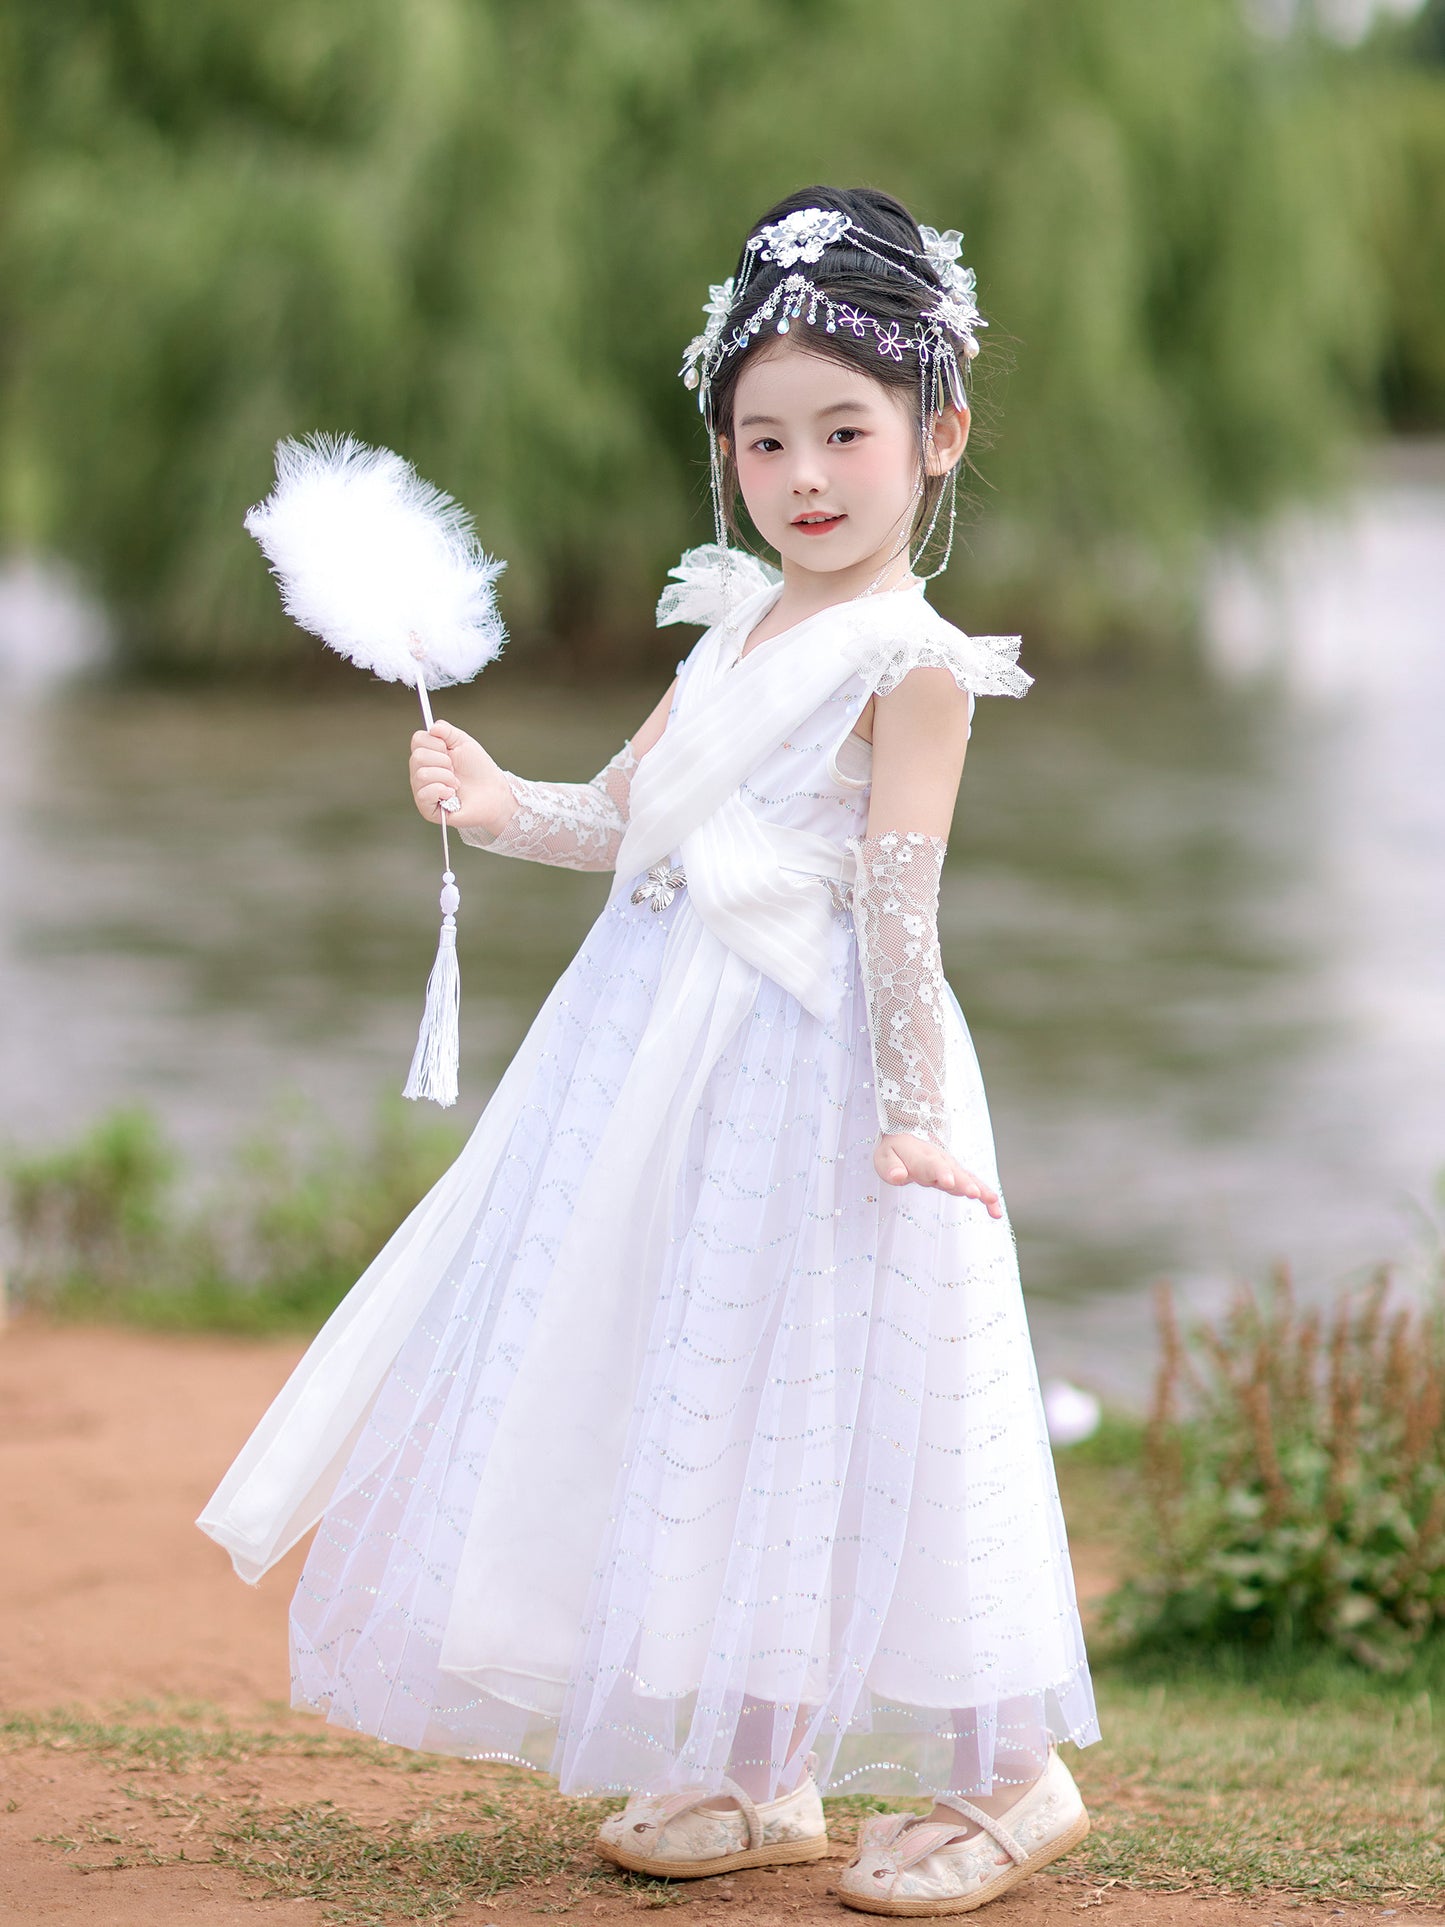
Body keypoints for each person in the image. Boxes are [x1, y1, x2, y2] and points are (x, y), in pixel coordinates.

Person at [199, 183, 1101, 1915]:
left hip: (826, 1062)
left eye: (845, 431)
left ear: (937, 433)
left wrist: (917, 1116)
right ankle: (760, 1760)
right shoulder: (730, 623)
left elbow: (897, 910)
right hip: (669, 1056)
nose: (806, 477)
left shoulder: (910, 662)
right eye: (764, 442)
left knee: (854, 1377)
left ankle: (1011, 1770)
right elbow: (625, 820)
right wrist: (493, 798)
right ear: (727, 460)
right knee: (708, 1362)